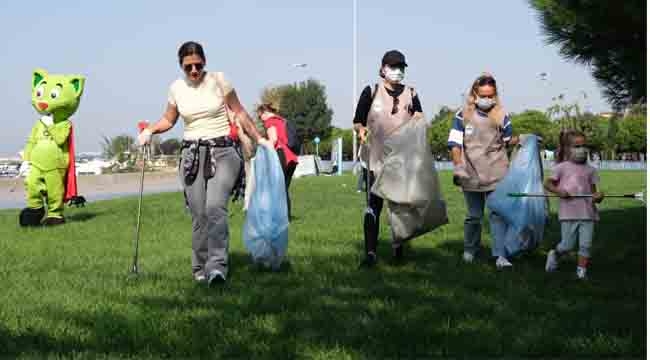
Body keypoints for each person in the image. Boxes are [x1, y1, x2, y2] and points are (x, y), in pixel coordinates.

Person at [138, 41, 271, 286]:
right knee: (199, 214)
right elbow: (169, 119)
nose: (194, 71)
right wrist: (150, 130)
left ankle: (217, 267)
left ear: (205, 62)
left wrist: (259, 138)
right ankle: (199, 267)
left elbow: (239, 111)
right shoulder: (177, 88)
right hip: (192, 154)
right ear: (181, 66)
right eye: (188, 67)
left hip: (223, 152)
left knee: (215, 208)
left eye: (198, 65)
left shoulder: (219, 81)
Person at [448, 73, 532, 268]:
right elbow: (454, 144)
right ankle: (470, 250)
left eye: (490, 95)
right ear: (474, 94)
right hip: (471, 173)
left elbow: (507, 141)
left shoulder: (502, 115)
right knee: (474, 216)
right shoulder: (462, 115)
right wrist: (458, 166)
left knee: (497, 215)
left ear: (495, 95)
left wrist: (522, 139)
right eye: (483, 95)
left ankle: (500, 255)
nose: (487, 99)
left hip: (497, 172)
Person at [353, 50, 424, 267]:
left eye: (401, 67)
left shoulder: (411, 93)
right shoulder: (371, 91)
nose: (398, 71)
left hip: (401, 160)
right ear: (383, 68)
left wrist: (419, 123)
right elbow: (358, 121)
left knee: (400, 207)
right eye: (393, 67)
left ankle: (398, 249)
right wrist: (361, 130)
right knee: (374, 205)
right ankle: (371, 253)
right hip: (374, 160)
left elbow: (419, 118)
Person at [544, 130, 603, 279]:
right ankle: (555, 254)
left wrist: (598, 197)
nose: (581, 149)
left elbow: (594, 193)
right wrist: (559, 191)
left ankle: (581, 272)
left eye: (584, 145)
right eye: (576, 146)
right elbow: (548, 184)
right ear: (567, 149)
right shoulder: (561, 167)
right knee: (567, 246)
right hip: (568, 213)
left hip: (587, 213)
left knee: (586, 245)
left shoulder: (592, 170)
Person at [256, 104, 299, 220]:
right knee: (284, 188)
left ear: (264, 112)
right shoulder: (282, 120)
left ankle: (277, 217)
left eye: (260, 117)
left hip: (282, 155)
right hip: (292, 158)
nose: (261, 120)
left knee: (277, 188)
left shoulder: (270, 121)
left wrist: (262, 143)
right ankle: (286, 217)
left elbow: (273, 140)